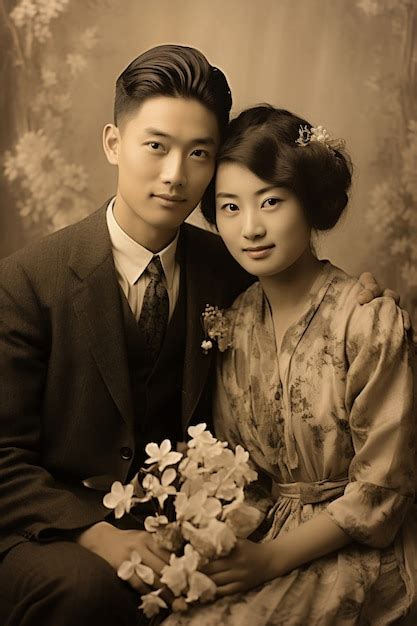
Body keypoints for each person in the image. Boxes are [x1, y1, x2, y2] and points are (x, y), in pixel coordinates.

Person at [0, 46, 399, 626]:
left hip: (191, 524)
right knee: (91, 592)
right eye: (156, 146)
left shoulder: (235, 262)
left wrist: (366, 295)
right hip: (53, 530)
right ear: (114, 143)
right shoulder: (25, 282)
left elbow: (309, 295)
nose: (175, 174)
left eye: (199, 154)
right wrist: (95, 534)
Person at [162, 106, 416, 625]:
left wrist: (270, 559)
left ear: (310, 202)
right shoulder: (233, 324)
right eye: (229, 207)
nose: (250, 227)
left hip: (358, 546)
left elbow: (382, 490)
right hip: (265, 534)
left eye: (271, 201)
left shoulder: (368, 321)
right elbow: (244, 474)